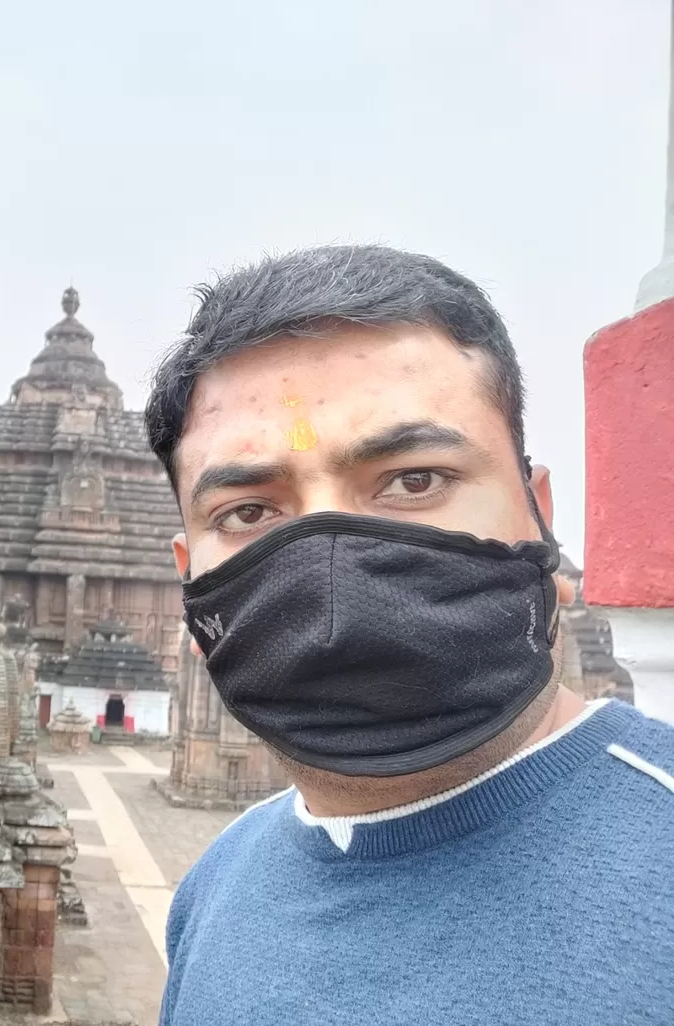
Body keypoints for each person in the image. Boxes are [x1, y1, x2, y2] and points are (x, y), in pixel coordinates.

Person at [147, 245, 674, 1026]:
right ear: (192, 581)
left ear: (541, 517)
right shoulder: (215, 887)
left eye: (413, 480)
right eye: (250, 512)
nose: (334, 572)